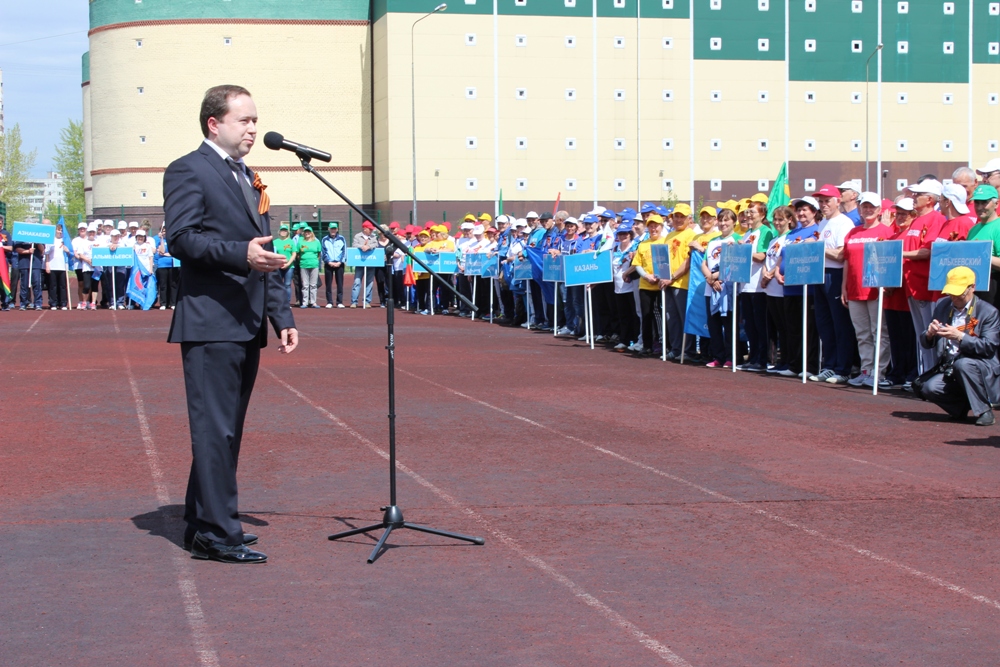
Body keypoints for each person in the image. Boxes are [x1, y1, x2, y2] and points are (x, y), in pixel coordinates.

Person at [163, 84, 297, 564]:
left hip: (246, 321)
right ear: (213, 123)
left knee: (226, 431)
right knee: (214, 430)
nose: (254, 129)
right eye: (244, 120)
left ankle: (203, 521)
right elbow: (181, 239)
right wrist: (240, 254)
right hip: (210, 321)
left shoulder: (248, 176)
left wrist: (281, 314)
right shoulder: (188, 169)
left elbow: (266, 252)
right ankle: (218, 533)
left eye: (255, 120)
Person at [918, 266, 1000, 426]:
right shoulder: (943, 305)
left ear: (972, 288)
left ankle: (984, 411)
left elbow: (988, 347)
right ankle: (961, 408)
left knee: (963, 364)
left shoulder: (988, 312)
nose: (954, 297)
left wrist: (960, 337)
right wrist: (929, 334)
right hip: (950, 366)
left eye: (959, 293)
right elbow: (925, 343)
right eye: (951, 292)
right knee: (929, 387)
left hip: (979, 365)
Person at [840, 192, 893, 388]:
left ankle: (878, 372)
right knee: (862, 333)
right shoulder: (853, 233)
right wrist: (844, 287)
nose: (868, 210)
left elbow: (891, 260)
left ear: (879, 210)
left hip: (876, 290)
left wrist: (888, 284)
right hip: (855, 289)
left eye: (872, 207)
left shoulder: (886, 232)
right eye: (865, 206)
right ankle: (866, 370)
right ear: (860, 208)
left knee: (879, 332)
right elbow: (847, 261)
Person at [809, 185, 856, 384]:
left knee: (840, 324)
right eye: (821, 201)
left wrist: (817, 247)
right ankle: (829, 366)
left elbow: (841, 254)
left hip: (835, 274)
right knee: (824, 323)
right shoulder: (823, 223)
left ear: (838, 201)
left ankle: (843, 368)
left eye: (827, 201)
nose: (823, 204)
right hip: (820, 274)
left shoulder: (844, 223)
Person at [902, 179, 947, 376]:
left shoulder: (936, 219)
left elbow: (928, 251)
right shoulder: (916, 220)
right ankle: (925, 375)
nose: (913, 197)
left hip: (925, 285)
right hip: (911, 284)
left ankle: (932, 375)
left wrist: (899, 253)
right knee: (920, 334)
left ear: (929, 199)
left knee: (930, 334)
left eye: (918, 194)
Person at [702, 208, 740, 368]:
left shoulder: (738, 240)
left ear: (734, 222)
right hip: (711, 289)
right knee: (714, 325)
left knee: (729, 324)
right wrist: (710, 279)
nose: (723, 223)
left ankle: (732, 357)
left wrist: (717, 277)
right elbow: (704, 263)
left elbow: (735, 263)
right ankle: (718, 356)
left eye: (727, 220)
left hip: (728, 289)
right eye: (721, 220)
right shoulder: (713, 241)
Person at [760, 206, 796, 376]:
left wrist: (770, 274)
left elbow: (782, 261)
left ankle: (788, 360)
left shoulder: (790, 238)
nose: (777, 222)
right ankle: (782, 361)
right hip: (770, 289)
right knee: (779, 327)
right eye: (775, 219)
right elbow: (767, 260)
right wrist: (764, 274)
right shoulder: (774, 239)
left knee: (787, 326)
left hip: (781, 288)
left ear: (789, 220)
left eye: (781, 219)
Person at [624, 213, 665, 356]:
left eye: (656, 226)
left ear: (661, 227)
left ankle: (661, 342)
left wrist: (660, 277)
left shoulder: (666, 242)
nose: (653, 229)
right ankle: (647, 345)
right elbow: (637, 264)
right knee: (646, 315)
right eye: (651, 226)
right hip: (645, 285)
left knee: (659, 315)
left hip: (660, 285)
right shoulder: (643, 244)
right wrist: (646, 276)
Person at [967, 185, 1000, 307]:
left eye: (984, 203)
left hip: (993, 285)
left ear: (996, 204)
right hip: (973, 284)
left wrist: (982, 256)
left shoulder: (998, 227)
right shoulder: (973, 230)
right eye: (977, 203)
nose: (980, 207)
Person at [351, 221, 378, 307]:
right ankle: (354, 302)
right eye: (369, 229)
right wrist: (361, 246)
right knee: (357, 281)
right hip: (360, 262)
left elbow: (376, 244)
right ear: (364, 229)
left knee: (370, 282)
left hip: (371, 262)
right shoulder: (357, 236)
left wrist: (369, 246)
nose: (371, 231)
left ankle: (367, 301)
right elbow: (354, 245)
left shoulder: (373, 237)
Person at [44, 224, 70, 310]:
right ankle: (53, 303)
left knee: (62, 286)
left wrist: (67, 251)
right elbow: (47, 254)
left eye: (61, 230)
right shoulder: (51, 240)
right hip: (53, 266)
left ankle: (63, 303)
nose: (60, 232)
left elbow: (70, 253)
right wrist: (47, 265)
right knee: (53, 286)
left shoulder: (64, 241)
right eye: (58, 230)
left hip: (62, 267)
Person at [322, 222, 347, 308]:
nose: (333, 230)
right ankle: (329, 302)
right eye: (331, 229)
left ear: (337, 229)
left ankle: (339, 302)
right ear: (328, 229)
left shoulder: (342, 238)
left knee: (340, 283)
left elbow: (344, 251)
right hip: (329, 264)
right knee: (328, 284)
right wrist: (328, 262)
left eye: (334, 229)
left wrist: (340, 262)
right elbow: (323, 252)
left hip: (339, 264)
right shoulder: (324, 239)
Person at [296, 225, 321, 308]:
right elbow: (298, 254)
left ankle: (313, 302)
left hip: (314, 265)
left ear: (311, 233)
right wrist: (303, 260)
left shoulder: (316, 242)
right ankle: (305, 302)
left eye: (308, 232)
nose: (307, 233)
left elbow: (319, 254)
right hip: (304, 265)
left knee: (313, 285)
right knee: (305, 285)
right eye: (306, 232)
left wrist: (315, 260)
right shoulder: (300, 242)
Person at [154, 225, 178, 310]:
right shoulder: (159, 241)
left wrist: (167, 254)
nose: (165, 233)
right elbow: (162, 251)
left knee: (173, 284)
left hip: (172, 264)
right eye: (163, 231)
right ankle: (163, 303)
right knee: (163, 285)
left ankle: (172, 303)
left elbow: (175, 252)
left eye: (166, 231)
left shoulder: (173, 241)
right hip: (162, 265)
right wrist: (161, 239)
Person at [74, 222, 97, 310]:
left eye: (93, 232)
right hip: (83, 266)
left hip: (96, 268)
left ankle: (92, 302)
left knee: (93, 286)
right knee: (83, 285)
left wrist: (95, 262)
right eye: (81, 228)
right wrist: (88, 261)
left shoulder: (98, 241)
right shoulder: (78, 241)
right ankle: (83, 301)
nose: (82, 230)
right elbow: (78, 253)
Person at [272, 224, 297, 305]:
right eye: (282, 230)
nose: (283, 232)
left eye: (285, 231)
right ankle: (278, 302)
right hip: (278, 265)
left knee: (287, 284)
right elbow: (273, 254)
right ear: (279, 232)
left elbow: (294, 254)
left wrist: (288, 264)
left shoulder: (291, 242)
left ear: (288, 232)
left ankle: (287, 302)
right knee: (278, 284)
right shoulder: (275, 242)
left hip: (289, 266)